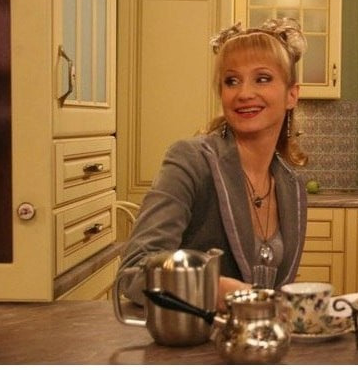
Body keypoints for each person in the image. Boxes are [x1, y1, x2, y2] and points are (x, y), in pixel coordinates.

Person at [116, 18, 309, 309]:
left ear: (291, 95)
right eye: (231, 81)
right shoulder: (190, 160)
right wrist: (211, 288)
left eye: (262, 79)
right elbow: (133, 273)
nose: (244, 93)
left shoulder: (292, 186)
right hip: (189, 335)